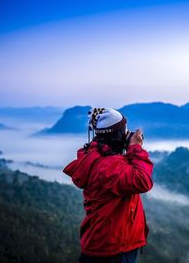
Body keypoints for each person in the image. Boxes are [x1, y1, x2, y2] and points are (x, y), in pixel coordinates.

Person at [63, 108, 154, 263]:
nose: (128, 134)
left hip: (108, 243)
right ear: (117, 135)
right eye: (125, 130)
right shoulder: (107, 166)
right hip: (113, 249)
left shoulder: (99, 157)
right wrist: (136, 148)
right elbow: (142, 180)